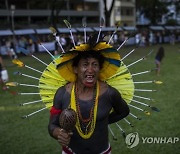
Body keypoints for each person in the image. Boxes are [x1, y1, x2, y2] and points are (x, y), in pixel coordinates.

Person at [48, 35, 130, 154]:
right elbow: (52, 125)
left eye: (95, 65)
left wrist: (101, 121)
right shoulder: (62, 94)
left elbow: (124, 111)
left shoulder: (110, 93)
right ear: (76, 69)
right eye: (85, 65)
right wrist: (59, 133)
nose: (90, 70)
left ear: (99, 69)